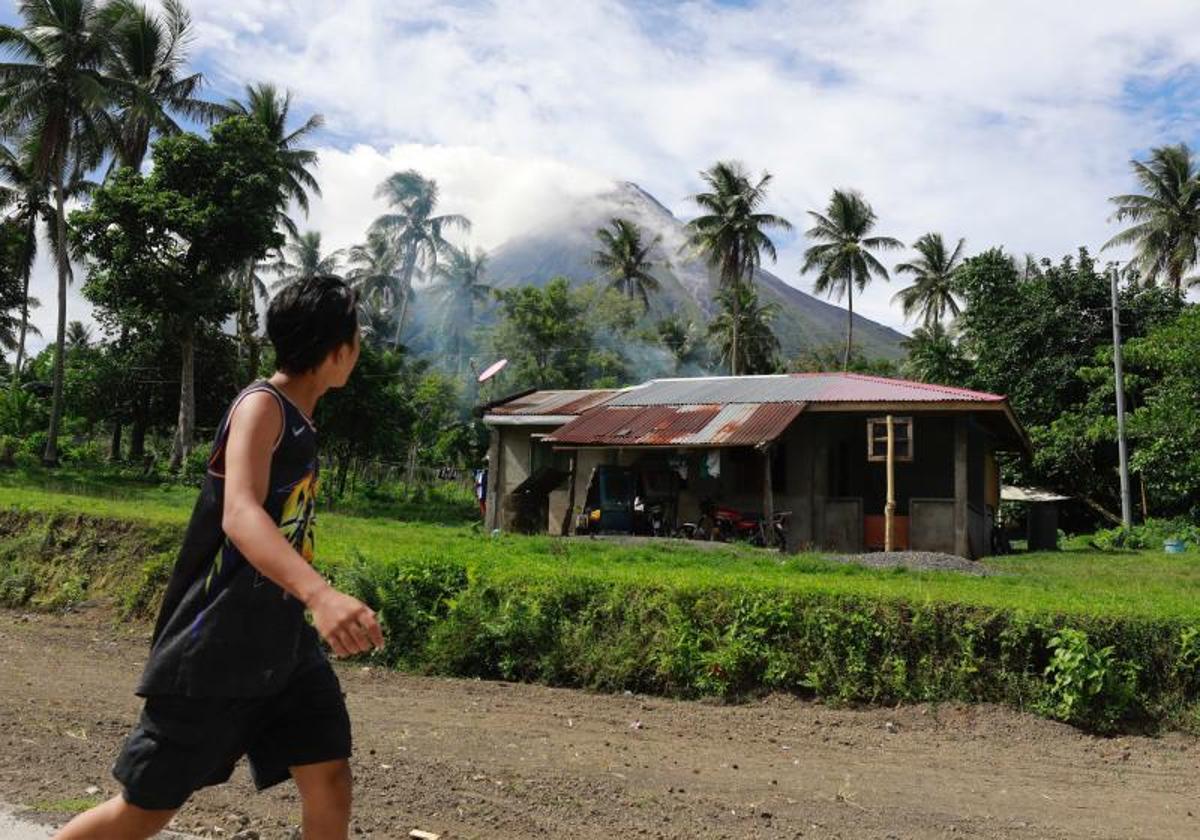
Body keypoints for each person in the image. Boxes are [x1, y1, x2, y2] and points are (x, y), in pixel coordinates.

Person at [54, 276, 384, 840]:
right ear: (337, 351)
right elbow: (240, 513)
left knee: (329, 775)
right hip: (217, 647)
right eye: (356, 336)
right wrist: (320, 594)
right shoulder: (263, 406)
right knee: (144, 810)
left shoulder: (303, 418)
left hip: (281, 643)